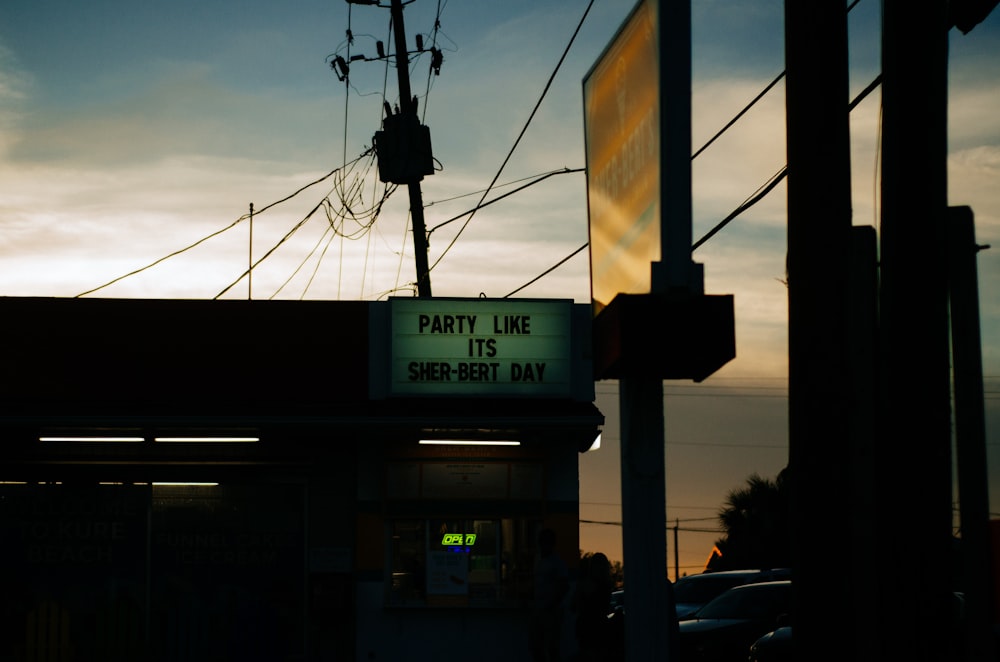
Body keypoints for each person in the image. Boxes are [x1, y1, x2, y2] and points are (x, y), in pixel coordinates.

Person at [530, 528, 569, 662]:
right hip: (540, 609)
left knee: (551, 647)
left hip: (551, 611)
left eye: (546, 543)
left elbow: (564, 586)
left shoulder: (557, 563)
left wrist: (551, 605)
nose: (543, 546)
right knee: (537, 646)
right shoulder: (539, 560)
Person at [573, 552, 617, 661]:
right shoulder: (606, 586)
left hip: (587, 626)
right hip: (599, 627)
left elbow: (574, 605)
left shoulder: (586, 585)